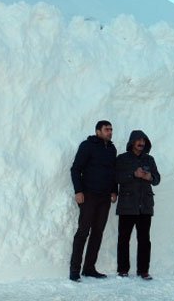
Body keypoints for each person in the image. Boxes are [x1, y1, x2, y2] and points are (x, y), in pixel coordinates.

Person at [69, 120, 118, 282]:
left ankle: (89, 268)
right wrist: (78, 191)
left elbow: (113, 172)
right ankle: (74, 270)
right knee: (83, 232)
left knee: (98, 233)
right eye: (106, 129)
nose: (110, 132)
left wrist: (114, 191)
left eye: (111, 129)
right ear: (98, 131)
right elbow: (76, 169)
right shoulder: (87, 146)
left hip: (104, 198)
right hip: (89, 195)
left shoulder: (112, 149)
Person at [115, 130, 160, 280]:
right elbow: (117, 177)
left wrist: (150, 176)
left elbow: (157, 179)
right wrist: (133, 175)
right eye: (138, 140)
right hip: (127, 205)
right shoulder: (122, 159)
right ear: (132, 142)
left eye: (144, 140)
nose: (141, 143)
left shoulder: (150, 159)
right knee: (123, 239)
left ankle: (143, 270)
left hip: (145, 205)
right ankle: (122, 270)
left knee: (144, 240)